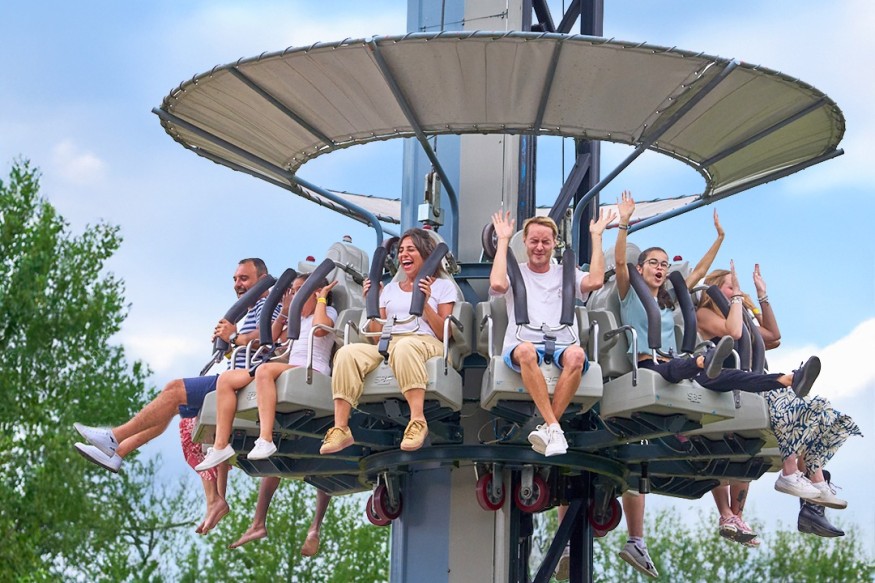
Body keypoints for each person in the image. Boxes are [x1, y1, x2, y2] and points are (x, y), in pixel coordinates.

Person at [613, 192, 819, 578]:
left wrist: (719, 240)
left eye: (663, 264)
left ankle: (786, 379)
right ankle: (706, 360)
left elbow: (697, 275)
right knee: (697, 364)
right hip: (649, 365)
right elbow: (620, 264)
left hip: (678, 367)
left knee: (724, 377)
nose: (659, 268)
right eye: (653, 263)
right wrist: (624, 223)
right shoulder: (628, 294)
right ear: (641, 268)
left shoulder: (669, 303)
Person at [73, 257, 276, 533]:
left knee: (174, 390)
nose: (238, 284)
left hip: (244, 382)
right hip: (234, 377)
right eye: (235, 279)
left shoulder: (270, 303)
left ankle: (114, 438)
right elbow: (245, 347)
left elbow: (270, 337)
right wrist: (229, 344)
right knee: (174, 410)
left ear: (261, 280)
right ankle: (118, 452)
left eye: (244, 278)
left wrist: (234, 336)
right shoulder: (251, 310)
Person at [698, 264, 861, 542]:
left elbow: (774, 337)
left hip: (755, 384)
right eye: (730, 286)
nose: (737, 291)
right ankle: (788, 474)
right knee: (790, 404)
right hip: (730, 386)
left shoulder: (742, 317)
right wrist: (737, 301)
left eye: (737, 287)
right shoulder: (705, 313)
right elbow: (733, 332)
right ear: (714, 290)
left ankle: (815, 487)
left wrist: (761, 297)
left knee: (821, 412)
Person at [195, 272, 337, 554]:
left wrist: (321, 298)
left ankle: (266, 438)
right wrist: (285, 311)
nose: (293, 295)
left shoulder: (325, 311)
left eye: (299, 290)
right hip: (290, 365)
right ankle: (221, 445)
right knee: (227, 380)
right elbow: (271, 340)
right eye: (291, 290)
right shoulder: (296, 317)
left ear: (314, 291)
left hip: (313, 370)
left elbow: (321, 330)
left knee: (264, 371)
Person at [488, 209, 613, 456]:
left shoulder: (566, 273)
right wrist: (503, 241)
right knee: (526, 351)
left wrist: (597, 237)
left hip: (562, 342)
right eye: (534, 241)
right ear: (525, 242)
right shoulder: (516, 272)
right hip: (524, 341)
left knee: (577, 355)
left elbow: (596, 281)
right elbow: (498, 284)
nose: (539, 247)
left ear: (554, 243)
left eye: (545, 242)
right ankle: (555, 427)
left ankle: (550, 428)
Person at [319, 227, 456, 455]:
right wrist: (372, 301)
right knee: (346, 353)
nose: (404, 255)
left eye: (411, 249)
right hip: (389, 343)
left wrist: (425, 304)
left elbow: (445, 332)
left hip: (426, 341)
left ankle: (417, 421)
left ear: (425, 254)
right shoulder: (390, 289)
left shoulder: (442, 286)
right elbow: (376, 334)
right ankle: (341, 428)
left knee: (404, 347)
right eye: (401, 250)